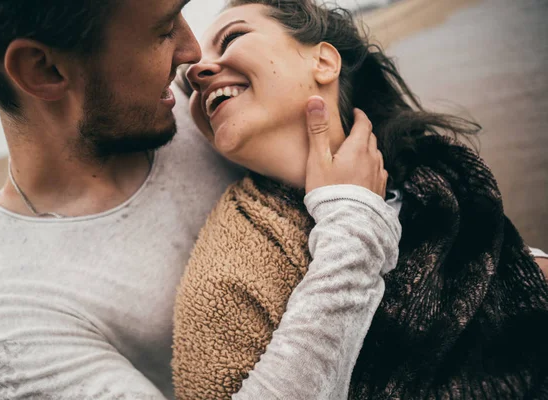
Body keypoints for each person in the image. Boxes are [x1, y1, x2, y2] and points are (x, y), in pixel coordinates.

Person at [0, 1, 400, 399]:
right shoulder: (8, 314)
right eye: (163, 30)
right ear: (44, 69)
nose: (191, 53)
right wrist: (353, 235)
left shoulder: (202, 114)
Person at [172, 0, 548, 399]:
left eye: (232, 38)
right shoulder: (226, 275)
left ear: (324, 62)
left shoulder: (440, 175)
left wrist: (526, 265)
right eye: (185, 85)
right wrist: (350, 218)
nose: (196, 72)